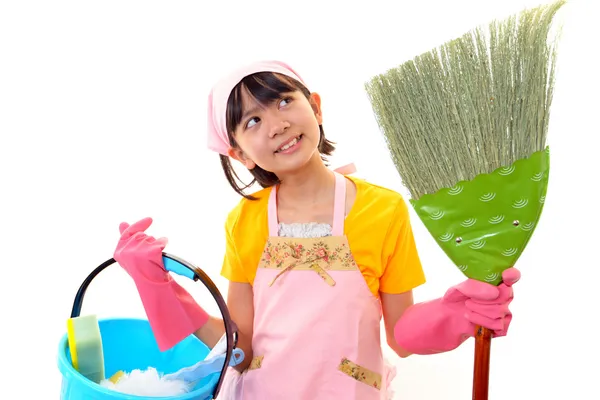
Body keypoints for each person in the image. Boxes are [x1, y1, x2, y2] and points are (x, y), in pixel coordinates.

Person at [113, 60, 520, 399]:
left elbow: (401, 336)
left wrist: (455, 316)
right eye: (252, 120)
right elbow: (241, 347)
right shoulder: (246, 219)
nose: (277, 125)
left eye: (284, 101)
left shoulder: (383, 209)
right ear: (237, 153)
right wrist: (160, 287)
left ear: (316, 107)